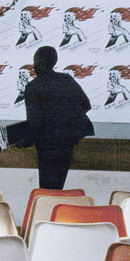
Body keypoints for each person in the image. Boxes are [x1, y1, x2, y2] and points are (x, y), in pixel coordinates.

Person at [21, 45, 94, 189]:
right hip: (68, 141)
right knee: (58, 186)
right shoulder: (66, 79)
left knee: (48, 189)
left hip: (48, 144)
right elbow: (86, 104)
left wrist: (24, 142)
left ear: (37, 63)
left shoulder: (33, 87)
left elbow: (35, 123)